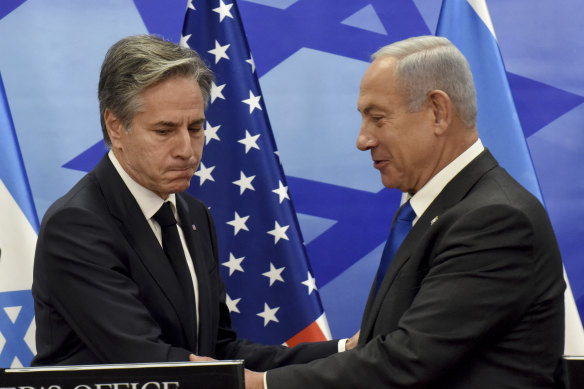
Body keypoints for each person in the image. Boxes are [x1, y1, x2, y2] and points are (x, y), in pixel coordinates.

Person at [245, 35, 566, 388]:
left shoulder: (495, 220)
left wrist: (260, 384)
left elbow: (406, 360)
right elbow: (380, 347)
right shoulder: (435, 210)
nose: (362, 139)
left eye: (377, 118)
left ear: (438, 112)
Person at [31, 34, 355, 368]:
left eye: (196, 127)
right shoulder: (77, 226)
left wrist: (345, 352)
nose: (187, 149)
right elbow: (150, 364)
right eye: (164, 130)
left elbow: (220, 350)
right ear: (115, 127)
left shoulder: (193, 213)